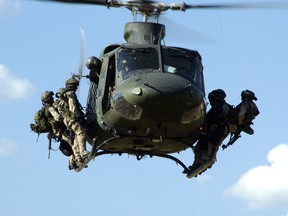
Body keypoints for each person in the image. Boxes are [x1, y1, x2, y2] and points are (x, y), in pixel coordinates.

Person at [190, 89, 232, 171]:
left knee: (211, 146)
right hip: (209, 131)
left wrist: (215, 125)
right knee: (199, 147)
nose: (211, 102)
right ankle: (197, 163)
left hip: (219, 131)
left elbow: (223, 117)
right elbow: (206, 118)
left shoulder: (224, 107)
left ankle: (206, 162)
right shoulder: (214, 109)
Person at [56, 77, 90, 163]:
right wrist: (77, 117)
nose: (76, 88)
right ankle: (83, 152)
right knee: (81, 133)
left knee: (74, 139)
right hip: (72, 119)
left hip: (67, 121)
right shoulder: (71, 94)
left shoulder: (61, 100)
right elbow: (72, 107)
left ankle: (77, 157)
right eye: (75, 86)